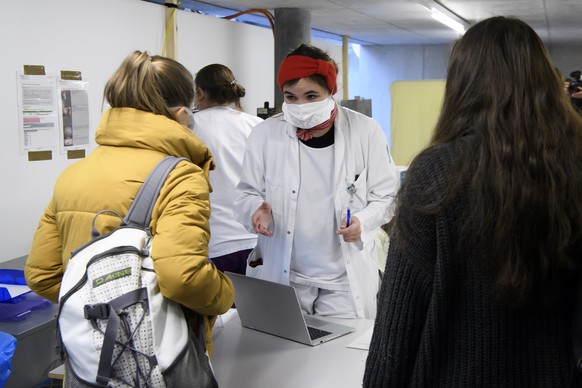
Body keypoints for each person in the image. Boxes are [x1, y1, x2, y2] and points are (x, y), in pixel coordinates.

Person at [364, 16, 582, 387]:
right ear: (544, 79)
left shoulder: (437, 171)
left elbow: (399, 318)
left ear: (463, 83)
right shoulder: (574, 163)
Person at [24, 50, 235, 356]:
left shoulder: (72, 174)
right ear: (181, 115)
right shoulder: (181, 176)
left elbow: (42, 274)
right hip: (159, 359)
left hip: (91, 358)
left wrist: (102, 307)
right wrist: (225, 294)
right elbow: (182, 277)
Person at [234, 43, 400, 319]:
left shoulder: (365, 131)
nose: (301, 106)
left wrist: (363, 221)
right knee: (285, 355)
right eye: (291, 97)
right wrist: (255, 211)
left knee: (342, 358)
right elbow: (246, 194)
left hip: (344, 282)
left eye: (311, 95)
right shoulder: (265, 135)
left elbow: (386, 197)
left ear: (330, 91)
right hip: (287, 276)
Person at [191, 63, 262, 274]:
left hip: (215, 242)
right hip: (257, 239)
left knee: (222, 307)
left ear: (200, 92)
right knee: (256, 306)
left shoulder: (190, 127)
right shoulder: (256, 125)